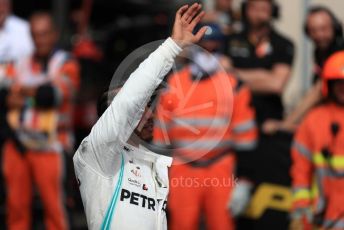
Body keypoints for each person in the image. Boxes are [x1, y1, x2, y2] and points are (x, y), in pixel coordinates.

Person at [73, 3, 207, 229]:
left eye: (147, 106)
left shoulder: (156, 164)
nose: (149, 112)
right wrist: (172, 47)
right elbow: (130, 99)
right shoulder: (98, 154)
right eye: (140, 108)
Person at [153, 22, 257, 230]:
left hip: (221, 167)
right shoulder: (174, 84)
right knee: (181, 224)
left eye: (214, 47)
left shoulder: (233, 85)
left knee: (222, 224)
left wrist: (245, 181)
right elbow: (160, 137)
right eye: (203, 47)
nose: (208, 52)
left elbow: (246, 140)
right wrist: (157, 177)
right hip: (182, 168)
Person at [2, 12, 80, 229]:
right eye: (35, 35)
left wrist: (22, 95)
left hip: (51, 146)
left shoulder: (66, 63)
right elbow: (4, 94)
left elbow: (52, 96)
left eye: (44, 34)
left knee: (56, 210)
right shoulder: (21, 62)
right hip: (18, 145)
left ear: (54, 34)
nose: (40, 40)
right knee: (15, 209)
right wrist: (33, 92)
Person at [225, 0, 294, 221]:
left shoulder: (283, 43)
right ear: (246, 10)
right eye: (254, 6)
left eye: (265, 6)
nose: (260, 11)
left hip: (268, 128)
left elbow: (276, 84)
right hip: (231, 127)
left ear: (273, 10)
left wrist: (237, 73)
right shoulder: (231, 39)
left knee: (265, 195)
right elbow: (223, 78)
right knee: (229, 197)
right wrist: (263, 75)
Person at [263, 6, 344, 134]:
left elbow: (318, 91)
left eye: (324, 29)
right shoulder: (320, 51)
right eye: (313, 30)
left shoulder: (338, 52)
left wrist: (286, 124)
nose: (319, 35)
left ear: (335, 28)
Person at [290, 51, 344, 230]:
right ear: (329, 85)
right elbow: (301, 170)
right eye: (338, 83)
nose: (342, 88)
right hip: (322, 217)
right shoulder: (314, 120)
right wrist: (301, 206)